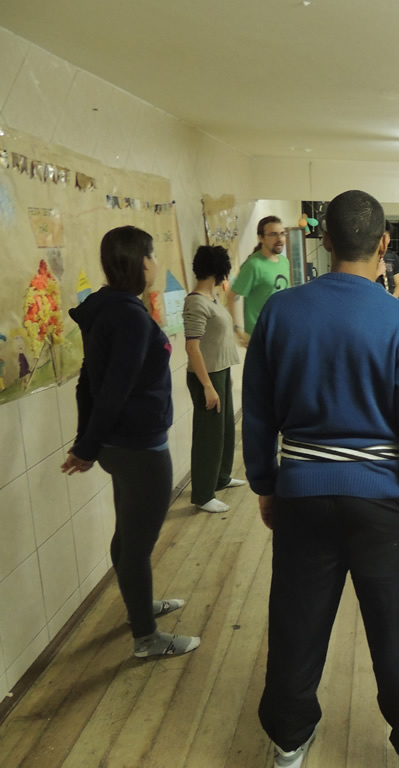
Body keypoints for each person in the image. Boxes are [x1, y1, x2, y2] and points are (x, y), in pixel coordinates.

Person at [243, 190, 399, 768]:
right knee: (398, 629)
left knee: (296, 623)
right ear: (384, 244)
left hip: (301, 494)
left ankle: (288, 742)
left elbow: (256, 413)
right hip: (389, 502)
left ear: (325, 240)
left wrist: (267, 485)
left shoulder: (281, 312)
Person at [61, 226, 200, 658]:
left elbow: (88, 383)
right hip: (140, 449)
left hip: (118, 448)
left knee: (127, 537)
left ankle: (140, 608)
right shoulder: (130, 316)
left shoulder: (103, 307)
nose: (156, 263)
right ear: (140, 262)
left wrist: (87, 442)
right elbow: (113, 390)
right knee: (137, 546)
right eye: (152, 255)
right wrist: (85, 447)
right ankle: (146, 638)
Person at [183, 245, 244, 514]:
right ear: (219, 270)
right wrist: (208, 385)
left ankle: (220, 477)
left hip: (220, 371)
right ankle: (203, 494)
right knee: (208, 436)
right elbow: (192, 347)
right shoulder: (196, 302)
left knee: (225, 431)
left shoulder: (212, 298)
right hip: (206, 376)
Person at [229, 216, 290, 342]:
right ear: (261, 238)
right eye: (273, 234)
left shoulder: (284, 262)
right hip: (260, 336)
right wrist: (239, 330)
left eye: (282, 233)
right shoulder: (253, 265)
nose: (279, 239)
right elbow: (233, 296)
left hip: (281, 331)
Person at [377, 221, 399, 298]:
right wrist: (377, 272)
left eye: (386, 237)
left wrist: (391, 299)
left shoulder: (392, 257)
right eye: (381, 237)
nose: (384, 240)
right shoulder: (366, 257)